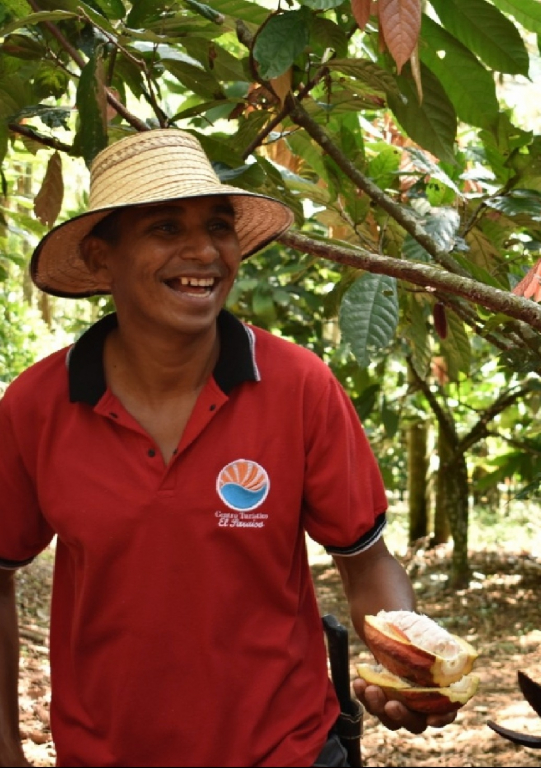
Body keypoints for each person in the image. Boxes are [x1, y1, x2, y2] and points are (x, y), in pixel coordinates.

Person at [0, 129, 453, 767]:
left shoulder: (299, 387)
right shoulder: (35, 408)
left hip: (289, 751)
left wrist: (409, 664)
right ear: (102, 259)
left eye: (218, 226)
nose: (204, 251)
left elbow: (367, 561)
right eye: (165, 228)